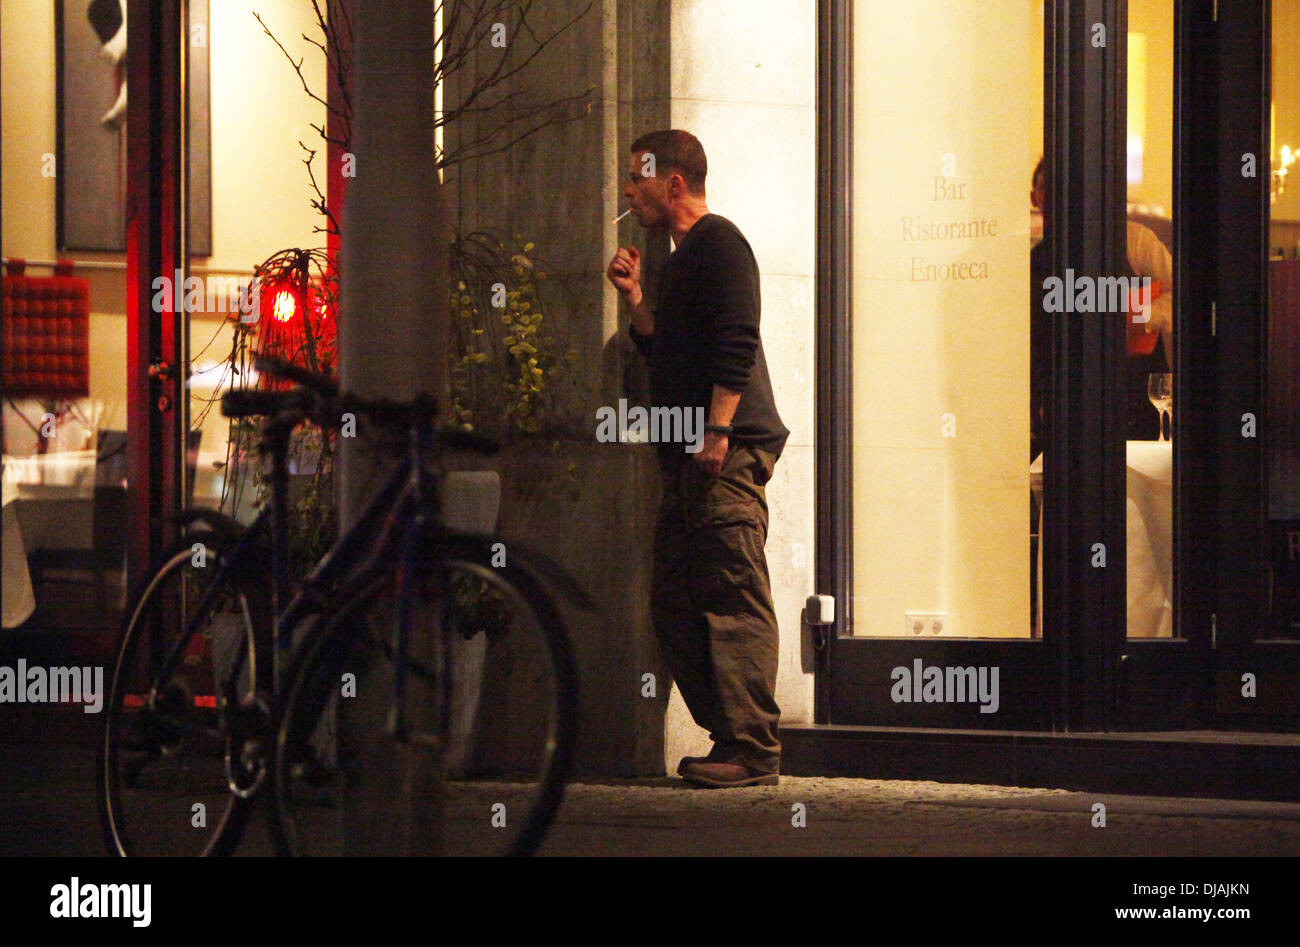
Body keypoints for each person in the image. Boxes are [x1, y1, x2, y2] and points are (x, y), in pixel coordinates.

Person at [605, 129, 789, 788]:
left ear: (673, 182)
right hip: (689, 455)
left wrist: (717, 431)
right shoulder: (682, 261)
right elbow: (671, 360)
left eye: (638, 178)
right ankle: (731, 735)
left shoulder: (720, 243)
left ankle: (754, 748)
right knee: (675, 599)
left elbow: (738, 339)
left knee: (731, 593)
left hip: (724, 453)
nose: (629, 192)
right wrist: (636, 302)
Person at [1030, 158, 1173, 450]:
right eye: (1048, 187)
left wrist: (1139, 316)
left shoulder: (1134, 239)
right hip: (1066, 400)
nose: (1057, 196)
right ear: (1035, 197)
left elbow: (1184, 293)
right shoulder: (1036, 259)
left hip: (1135, 394)